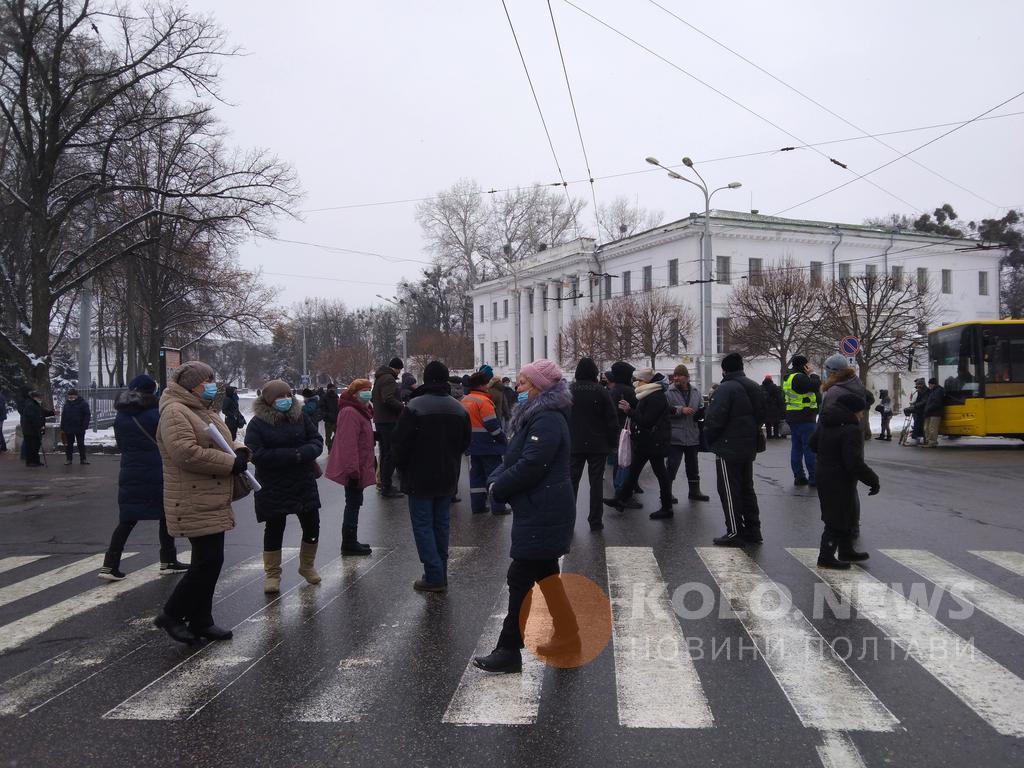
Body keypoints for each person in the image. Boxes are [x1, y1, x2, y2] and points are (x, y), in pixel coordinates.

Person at [474, 359, 577, 674]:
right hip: (538, 507)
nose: (517, 387)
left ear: (538, 387)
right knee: (546, 575)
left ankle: (508, 649)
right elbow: (513, 458)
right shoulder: (536, 416)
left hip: (543, 508)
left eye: (523, 382)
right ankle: (568, 637)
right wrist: (495, 479)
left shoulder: (547, 418)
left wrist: (499, 487)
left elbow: (533, 464)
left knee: (520, 577)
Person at [154, 361, 248, 644]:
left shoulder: (201, 410)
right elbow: (185, 452)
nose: (211, 385)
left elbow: (224, 441)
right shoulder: (175, 411)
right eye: (206, 381)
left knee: (210, 561)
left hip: (210, 495)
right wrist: (230, 463)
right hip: (192, 495)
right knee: (207, 561)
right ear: (190, 385)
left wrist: (241, 451)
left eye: (211, 379)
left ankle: (201, 620)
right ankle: (171, 614)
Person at [391, 361, 471, 592]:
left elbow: (399, 443)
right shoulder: (458, 408)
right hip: (447, 475)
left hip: (419, 475)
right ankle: (439, 571)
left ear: (425, 379)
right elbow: (465, 443)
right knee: (441, 525)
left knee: (423, 526)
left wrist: (402, 467)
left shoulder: (414, 406)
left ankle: (434, 575)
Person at [99, 374, 186, 581]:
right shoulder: (155, 413)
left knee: (127, 519)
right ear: (151, 391)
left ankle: (110, 564)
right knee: (165, 515)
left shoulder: (121, 416)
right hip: (156, 469)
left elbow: (122, 445)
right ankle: (168, 560)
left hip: (130, 470)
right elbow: (167, 439)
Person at [245, 380, 325, 594]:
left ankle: (307, 566)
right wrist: (289, 455)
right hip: (273, 484)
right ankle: (272, 575)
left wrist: (303, 453)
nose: (286, 400)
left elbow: (317, 440)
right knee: (274, 528)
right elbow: (255, 453)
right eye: (280, 397)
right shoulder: (257, 423)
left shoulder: (300, 416)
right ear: (269, 400)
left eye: (288, 395)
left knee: (312, 524)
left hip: (303, 480)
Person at [810, 392, 878, 569]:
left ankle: (846, 550)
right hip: (840, 478)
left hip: (825, 474)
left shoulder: (826, 423)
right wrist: (872, 480)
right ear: (853, 411)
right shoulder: (851, 430)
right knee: (836, 518)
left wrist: (828, 455)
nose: (862, 415)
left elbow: (813, 444)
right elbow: (854, 462)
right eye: (861, 412)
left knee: (846, 515)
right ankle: (826, 557)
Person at [705, 352, 765, 546]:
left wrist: (709, 439)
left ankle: (734, 531)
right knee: (747, 488)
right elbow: (762, 414)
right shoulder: (754, 386)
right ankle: (753, 530)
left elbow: (715, 419)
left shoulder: (725, 388)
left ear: (724, 370)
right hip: (749, 445)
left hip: (727, 446)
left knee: (729, 491)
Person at [603, 368, 674, 520]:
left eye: (640, 380)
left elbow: (647, 421)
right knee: (635, 471)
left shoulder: (655, 396)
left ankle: (667, 507)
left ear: (647, 381)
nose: (637, 382)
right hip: (648, 441)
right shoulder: (649, 394)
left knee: (659, 474)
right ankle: (621, 499)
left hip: (654, 441)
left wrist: (629, 411)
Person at [325, 379, 375, 555]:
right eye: (364, 390)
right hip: (354, 468)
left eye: (369, 389)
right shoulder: (350, 412)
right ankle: (348, 542)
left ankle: (351, 540)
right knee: (353, 503)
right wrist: (353, 472)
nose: (368, 393)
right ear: (354, 394)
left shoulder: (362, 410)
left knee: (355, 502)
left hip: (359, 465)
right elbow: (349, 444)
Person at [569, 357, 619, 531]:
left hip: (574, 443)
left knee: (572, 482)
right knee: (596, 483)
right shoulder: (601, 391)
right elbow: (611, 419)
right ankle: (595, 520)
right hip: (598, 444)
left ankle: (569, 520)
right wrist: (612, 442)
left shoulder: (569, 390)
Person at [461, 371, 508, 515]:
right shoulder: (484, 401)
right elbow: (492, 425)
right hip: (488, 445)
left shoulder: (465, 400)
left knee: (476, 477)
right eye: (486, 383)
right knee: (494, 476)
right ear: (482, 385)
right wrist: (503, 440)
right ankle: (498, 507)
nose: (488, 386)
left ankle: (478, 506)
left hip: (472, 445)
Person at [665, 364, 709, 502]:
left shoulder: (696, 391)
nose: (676, 378)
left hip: (692, 435)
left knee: (693, 466)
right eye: (675, 375)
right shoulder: (668, 392)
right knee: (672, 466)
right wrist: (680, 410)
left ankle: (694, 492)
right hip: (675, 437)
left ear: (687, 377)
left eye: (679, 375)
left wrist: (701, 413)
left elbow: (701, 407)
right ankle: (666, 493)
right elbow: (663, 411)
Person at [783, 355, 821, 487]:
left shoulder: (788, 377)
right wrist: (813, 374)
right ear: (804, 365)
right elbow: (816, 385)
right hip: (805, 417)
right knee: (809, 448)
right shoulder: (800, 378)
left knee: (796, 448)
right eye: (807, 365)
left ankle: (799, 476)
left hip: (793, 417)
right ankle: (813, 478)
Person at [372, 357, 405, 498]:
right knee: (390, 454)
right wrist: (403, 408)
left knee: (385, 453)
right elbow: (388, 398)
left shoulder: (379, 378)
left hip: (381, 420)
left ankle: (385, 484)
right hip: (389, 421)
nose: (399, 372)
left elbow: (376, 398)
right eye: (399, 369)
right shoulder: (388, 379)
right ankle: (387, 486)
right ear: (396, 368)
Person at [608, 361, 639, 504]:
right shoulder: (629, 391)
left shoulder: (613, 390)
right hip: (627, 430)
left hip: (616, 431)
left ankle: (619, 491)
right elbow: (638, 408)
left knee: (619, 461)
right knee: (626, 462)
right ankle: (623, 494)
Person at [19, 390, 52, 467]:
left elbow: (42, 412)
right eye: (39, 397)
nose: (41, 399)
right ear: (34, 397)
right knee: (31, 446)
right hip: (30, 430)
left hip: (35, 429)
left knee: (36, 446)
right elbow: (33, 418)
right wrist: (39, 425)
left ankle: (36, 461)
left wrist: (52, 413)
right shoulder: (30, 405)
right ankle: (30, 461)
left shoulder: (36, 404)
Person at [59, 388, 91, 465]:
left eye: (72, 396)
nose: (71, 398)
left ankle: (83, 459)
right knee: (69, 444)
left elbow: (87, 415)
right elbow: (63, 416)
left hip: (79, 427)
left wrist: (84, 425)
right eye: (69, 396)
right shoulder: (66, 404)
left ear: (76, 396)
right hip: (68, 427)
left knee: (81, 444)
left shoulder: (83, 404)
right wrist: (62, 427)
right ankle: (69, 459)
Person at [922, 378, 945, 448]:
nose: (929, 386)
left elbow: (937, 403)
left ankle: (932, 442)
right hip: (929, 412)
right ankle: (928, 441)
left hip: (935, 413)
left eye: (930, 384)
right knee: (927, 428)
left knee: (932, 428)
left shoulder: (938, 391)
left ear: (933, 384)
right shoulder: (932, 391)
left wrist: (928, 408)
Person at [321, 382, 339, 451]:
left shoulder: (336, 396)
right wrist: (326, 415)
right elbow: (322, 408)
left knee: (338, 435)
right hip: (328, 421)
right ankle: (330, 449)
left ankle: (333, 447)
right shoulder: (324, 397)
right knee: (328, 437)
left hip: (336, 420)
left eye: (333, 388)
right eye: (331, 388)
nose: (333, 389)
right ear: (328, 389)